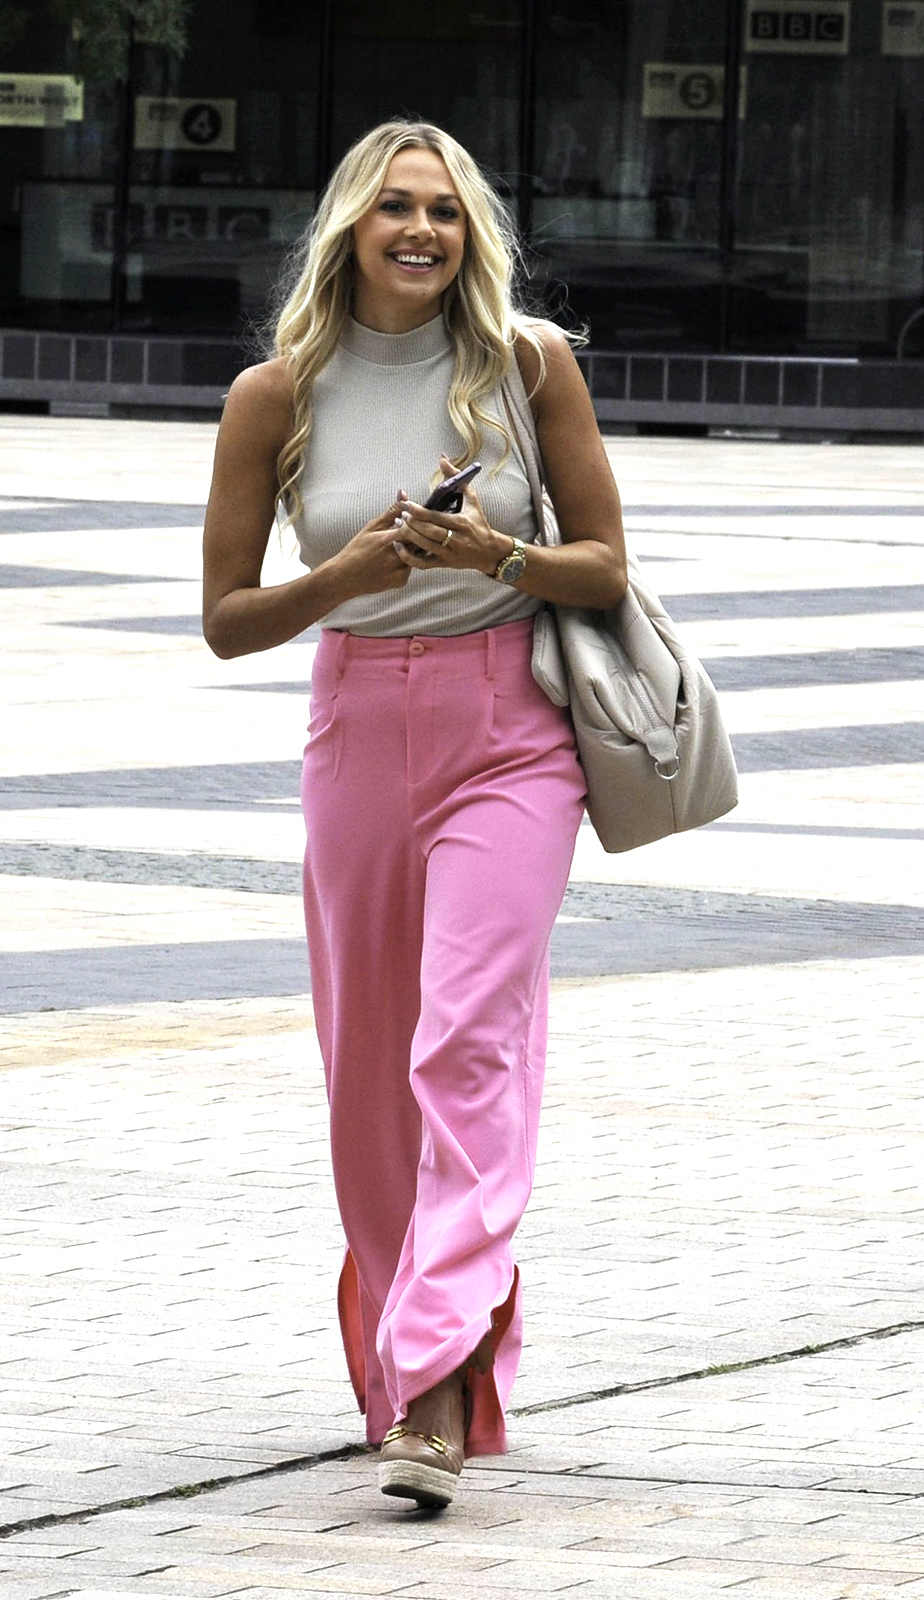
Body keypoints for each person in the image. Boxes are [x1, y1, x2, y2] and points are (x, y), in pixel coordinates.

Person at [202, 119, 626, 1509]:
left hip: (511, 732)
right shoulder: (276, 395)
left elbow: (604, 565)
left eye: (445, 210)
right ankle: (407, 1364)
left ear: (470, 233)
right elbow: (226, 619)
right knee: (372, 1078)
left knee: (465, 1040)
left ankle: (438, 1372)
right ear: (350, 227)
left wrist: (496, 553)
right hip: (357, 733)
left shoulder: (526, 365)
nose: (422, 231)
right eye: (395, 207)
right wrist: (350, 574)